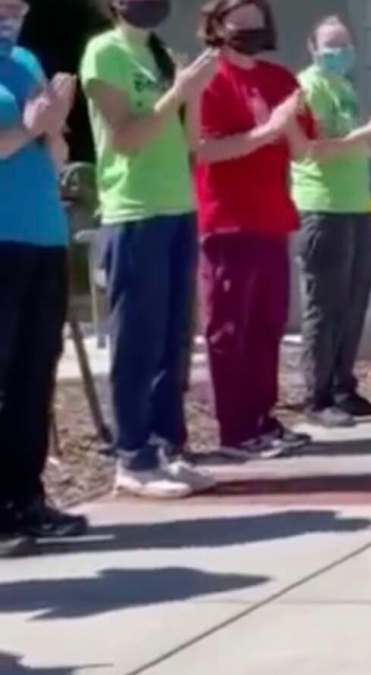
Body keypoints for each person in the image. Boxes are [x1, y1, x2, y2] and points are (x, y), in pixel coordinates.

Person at [81, 0, 219, 498]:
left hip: (176, 208)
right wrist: (174, 94)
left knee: (171, 340)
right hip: (134, 212)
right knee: (137, 339)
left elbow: (190, 142)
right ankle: (132, 457)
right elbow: (126, 138)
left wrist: (193, 94)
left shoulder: (161, 52)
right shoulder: (104, 52)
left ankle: (165, 448)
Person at [190, 0, 313, 457]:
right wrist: (266, 132)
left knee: (267, 325)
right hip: (225, 220)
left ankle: (263, 418)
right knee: (228, 327)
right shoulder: (209, 79)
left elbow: (301, 150)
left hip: (271, 218)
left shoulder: (279, 80)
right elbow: (203, 151)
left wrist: (290, 128)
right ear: (217, 28)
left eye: (256, 27)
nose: (248, 35)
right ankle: (236, 429)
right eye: (238, 27)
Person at [291, 15, 371, 428]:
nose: (339, 53)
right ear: (312, 47)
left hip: (356, 205)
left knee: (353, 303)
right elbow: (318, 148)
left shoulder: (344, 87)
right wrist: (370, 130)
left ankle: (344, 388)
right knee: (324, 307)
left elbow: (361, 149)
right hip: (322, 207)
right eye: (330, 45)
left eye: (345, 45)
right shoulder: (308, 88)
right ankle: (317, 396)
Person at [0, 0, 88, 555]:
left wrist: (53, 129)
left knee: (35, 375)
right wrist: (24, 128)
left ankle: (25, 498)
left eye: (19, 5)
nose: (12, 13)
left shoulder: (27, 62)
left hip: (42, 234)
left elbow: (52, 156)